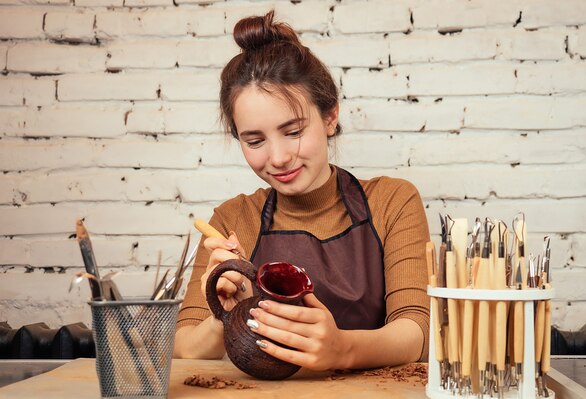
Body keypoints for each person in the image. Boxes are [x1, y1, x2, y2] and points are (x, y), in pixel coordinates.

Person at [174, 10, 430, 371]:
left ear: (330, 117)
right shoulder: (232, 220)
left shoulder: (392, 202)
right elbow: (185, 347)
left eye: (293, 131)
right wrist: (222, 314)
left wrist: (344, 349)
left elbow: (416, 330)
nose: (278, 158)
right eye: (255, 140)